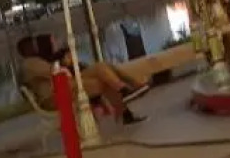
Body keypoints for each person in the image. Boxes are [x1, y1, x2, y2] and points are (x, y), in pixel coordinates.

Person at [17, 37, 147, 125]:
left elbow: (60, 70)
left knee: (101, 66)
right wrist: (64, 63)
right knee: (101, 81)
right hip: (56, 95)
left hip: (66, 86)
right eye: (32, 45)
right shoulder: (29, 63)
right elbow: (54, 71)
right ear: (26, 50)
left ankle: (123, 88)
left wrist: (66, 63)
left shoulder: (37, 60)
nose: (35, 47)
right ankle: (125, 108)